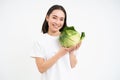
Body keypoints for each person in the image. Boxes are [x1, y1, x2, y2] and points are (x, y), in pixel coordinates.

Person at [31, 4, 82, 80]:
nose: (58, 22)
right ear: (47, 17)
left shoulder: (68, 38)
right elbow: (41, 69)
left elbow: (72, 65)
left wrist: (71, 51)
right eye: (54, 18)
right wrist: (60, 54)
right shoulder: (39, 41)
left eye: (61, 19)